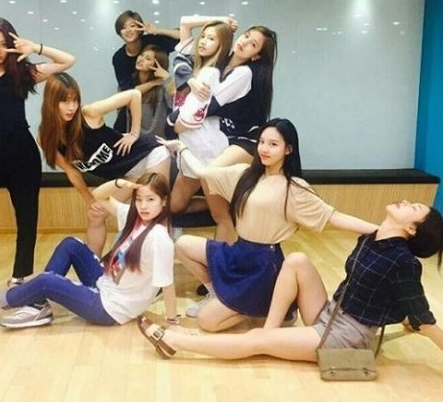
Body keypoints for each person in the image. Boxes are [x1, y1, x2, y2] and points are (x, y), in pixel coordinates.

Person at [137, 200, 443, 363]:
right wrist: (404, 319)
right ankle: (272, 329)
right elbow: (387, 294)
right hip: (330, 313)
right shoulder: (372, 239)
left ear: (412, 229)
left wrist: (414, 321)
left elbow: (423, 317)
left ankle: (176, 342)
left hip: (345, 337)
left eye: (413, 208)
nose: (406, 201)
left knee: (257, 342)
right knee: (296, 260)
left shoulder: (404, 262)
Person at [157, 118, 378, 329]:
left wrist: (380, 230)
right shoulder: (244, 175)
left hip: (264, 264)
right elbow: (202, 172)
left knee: (207, 322)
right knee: (182, 245)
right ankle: (219, 295)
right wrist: (181, 148)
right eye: (262, 142)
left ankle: (266, 306)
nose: (264, 149)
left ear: (288, 149)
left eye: (273, 144)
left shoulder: (294, 188)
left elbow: (334, 217)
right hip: (238, 251)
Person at [0, 172, 178, 329]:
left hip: (110, 308)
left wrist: (172, 323)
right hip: (104, 284)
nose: (143, 206)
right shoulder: (134, 218)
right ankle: (38, 305)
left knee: (47, 282)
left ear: (164, 201)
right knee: (70, 245)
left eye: (151, 200)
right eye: (139, 199)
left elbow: (167, 284)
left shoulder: (159, 238)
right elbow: (99, 195)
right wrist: (120, 183)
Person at [0, 16, 75, 286]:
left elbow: (67, 61)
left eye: (3, 44)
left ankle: (19, 278)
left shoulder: (22, 74)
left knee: (26, 219)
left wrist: (35, 47)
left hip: (21, 156)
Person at [169, 20, 278, 242]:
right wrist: (190, 80)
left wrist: (172, 122)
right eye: (246, 36)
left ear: (256, 55)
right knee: (174, 206)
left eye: (253, 44)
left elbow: (207, 107)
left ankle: (222, 249)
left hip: (242, 141)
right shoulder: (218, 61)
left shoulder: (244, 73)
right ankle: (231, 208)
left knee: (209, 174)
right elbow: (183, 44)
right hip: (215, 138)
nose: (244, 43)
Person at [38, 72, 171, 254]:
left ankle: (158, 260)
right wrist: (89, 200)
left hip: (149, 156)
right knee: (95, 214)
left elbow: (134, 95)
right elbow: (72, 171)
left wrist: (134, 133)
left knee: (150, 210)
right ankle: (92, 266)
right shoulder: (46, 137)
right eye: (65, 101)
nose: (71, 107)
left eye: (75, 100)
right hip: (128, 175)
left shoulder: (89, 113)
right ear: (51, 101)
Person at [166, 16, 235, 215]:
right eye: (203, 36)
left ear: (222, 45)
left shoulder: (210, 73)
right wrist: (221, 19)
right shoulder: (192, 65)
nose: (203, 41)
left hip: (204, 145)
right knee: (174, 206)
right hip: (189, 143)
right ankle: (230, 205)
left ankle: (230, 209)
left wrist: (171, 127)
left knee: (219, 213)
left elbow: (190, 117)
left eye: (211, 39)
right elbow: (185, 22)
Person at [112, 10, 180, 133]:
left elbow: (183, 36)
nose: (128, 30)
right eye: (123, 27)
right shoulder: (119, 58)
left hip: (157, 96)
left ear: (140, 28)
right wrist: (154, 83)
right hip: (134, 97)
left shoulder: (152, 41)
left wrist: (157, 31)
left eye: (132, 26)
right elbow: (128, 91)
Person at [119, 44, 173, 139]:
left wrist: (168, 78)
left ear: (157, 65)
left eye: (148, 59)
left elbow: (174, 105)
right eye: (141, 55)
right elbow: (122, 102)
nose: (141, 59)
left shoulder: (162, 87)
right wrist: (153, 83)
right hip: (131, 139)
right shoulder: (128, 81)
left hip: (156, 140)